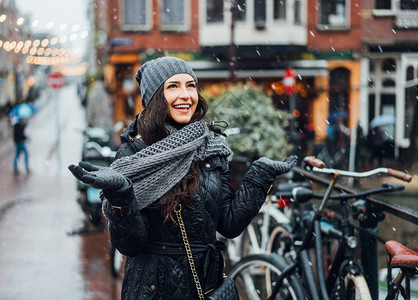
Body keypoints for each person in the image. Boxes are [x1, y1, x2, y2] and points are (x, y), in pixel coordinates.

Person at [69, 56, 297, 300]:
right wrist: (121, 196)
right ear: (155, 97)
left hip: (207, 285)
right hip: (154, 289)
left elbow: (228, 224)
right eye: (173, 86)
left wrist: (260, 176)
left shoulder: (211, 146)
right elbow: (131, 245)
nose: (186, 94)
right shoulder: (135, 152)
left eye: (190, 85)